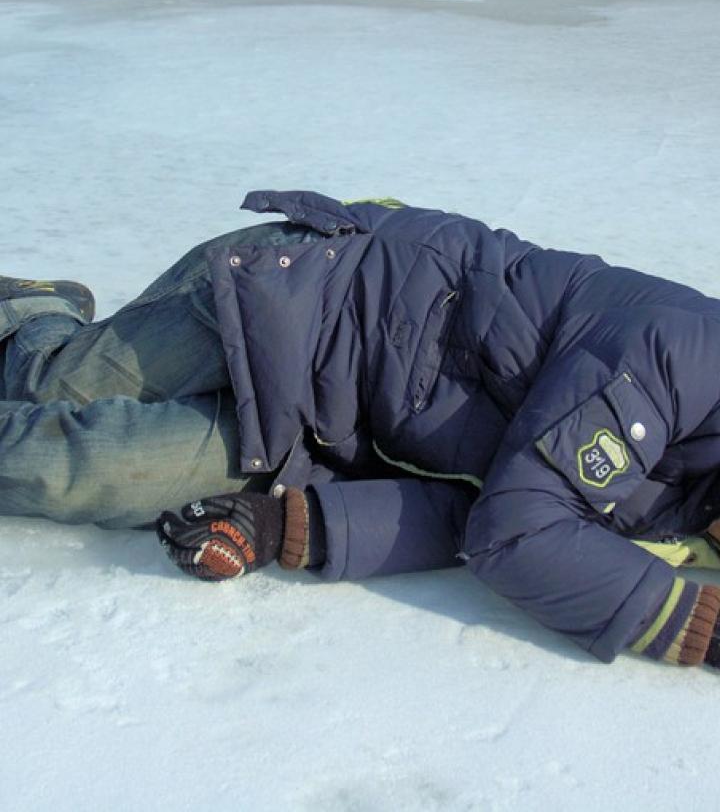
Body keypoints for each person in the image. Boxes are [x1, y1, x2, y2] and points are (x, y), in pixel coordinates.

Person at [4, 190, 720, 673]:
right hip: (304, 295)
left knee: (83, 467)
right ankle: (41, 312)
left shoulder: (690, 500)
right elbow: (518, 527)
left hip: (316, 434)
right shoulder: (682, 353)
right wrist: (687, 622)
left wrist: (293, 521)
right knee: (42, 382)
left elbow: (478, 509)